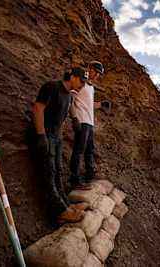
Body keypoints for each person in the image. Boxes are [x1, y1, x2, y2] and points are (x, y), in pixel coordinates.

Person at [32, 67, 89, 224]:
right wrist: (40, 135)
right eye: (81, 81)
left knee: (58, 172)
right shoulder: (52, 87)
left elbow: (67, 110)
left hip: (56, 139)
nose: (82, 85)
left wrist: (74, 120)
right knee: (49, 173)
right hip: (45, 136)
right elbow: (38, 108)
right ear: (72, 76)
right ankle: (61, 211)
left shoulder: (69, 96)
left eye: (85, 83)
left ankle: (66, 205)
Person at [69, 61, 107, 189]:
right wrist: (74, 118)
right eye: (95, 71)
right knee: (78, 150)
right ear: (89, 68)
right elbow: (71, 99)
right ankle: (74, 180)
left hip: (89, 122)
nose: (97, 75)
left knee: (89, 150)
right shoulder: (80, 82)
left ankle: (89, 174)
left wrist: (101, 104)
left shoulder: (90, 87)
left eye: (99, 73)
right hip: (81, 120)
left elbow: (89, 104)